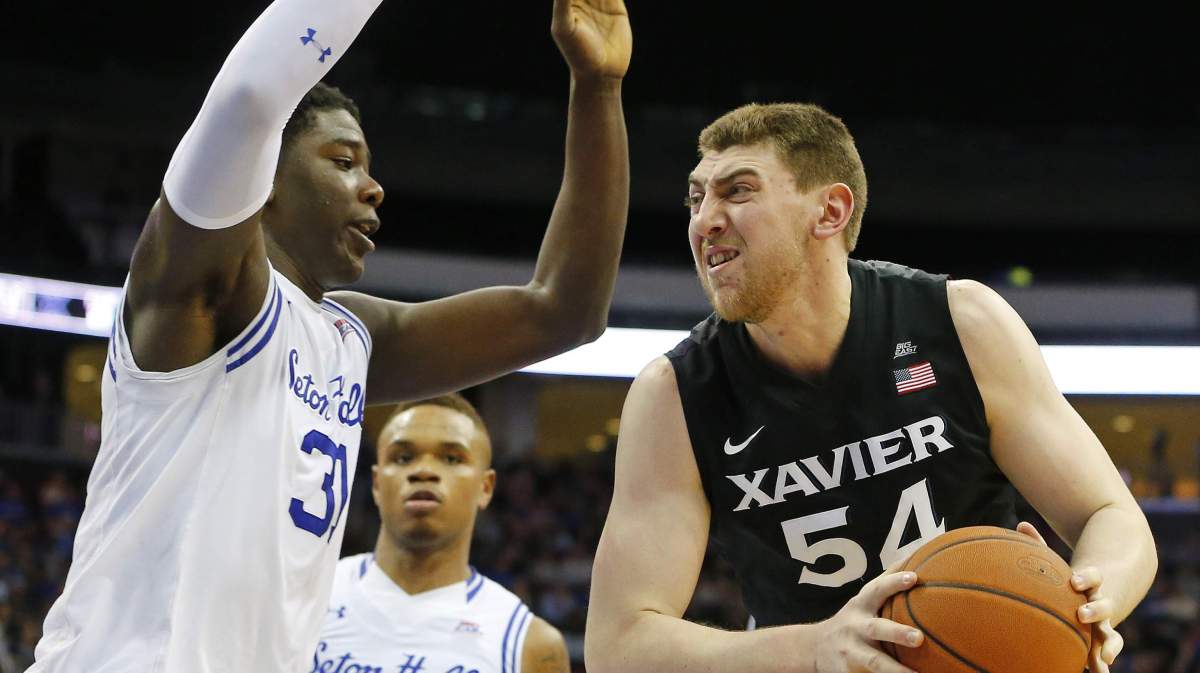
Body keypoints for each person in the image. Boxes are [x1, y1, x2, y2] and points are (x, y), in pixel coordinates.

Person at [31, 1, 631, 671]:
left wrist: (598, 87)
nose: (373, 188)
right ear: (264, 177)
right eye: (344, 161)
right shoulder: (202, 288)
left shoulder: (350, 336)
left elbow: (564, 311)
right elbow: (250, 97)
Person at [585, 103, 1156, 673]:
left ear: (830, 211)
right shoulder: (674, 395)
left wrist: (1088, 604)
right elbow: (618, 646)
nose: (704, 220)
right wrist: (815, 647)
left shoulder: (960, 323)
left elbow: (1110, 514)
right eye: (696, 198)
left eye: (738, 191)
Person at [314, 394, 568, 673]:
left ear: (485, 487)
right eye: (403, 457)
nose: (424, 471)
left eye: (451, 458)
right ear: (376, 483)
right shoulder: (308, 596)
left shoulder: (531, 644)